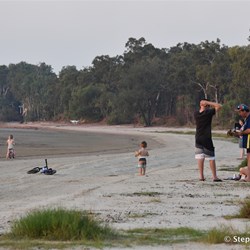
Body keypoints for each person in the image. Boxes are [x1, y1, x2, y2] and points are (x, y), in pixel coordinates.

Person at [194, 99, 222, 182]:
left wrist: (205, 104)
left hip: (198, 137)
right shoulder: (208, 113)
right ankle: (214, 177)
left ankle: (201, 176)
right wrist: (209, 103)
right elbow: (219, 106)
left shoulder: (196, 113)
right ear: (207, 106)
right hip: (206, 137)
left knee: (200, 157)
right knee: (211, 157)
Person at [234, 104, 250, 182]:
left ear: (244, 111)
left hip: (249, 142)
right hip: (247, 142)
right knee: (248, 159)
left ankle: (249, 177)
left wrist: (242, 133)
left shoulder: (249, 118)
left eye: (240, 112)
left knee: (249, 159)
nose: (239, 114)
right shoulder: (247, 119)